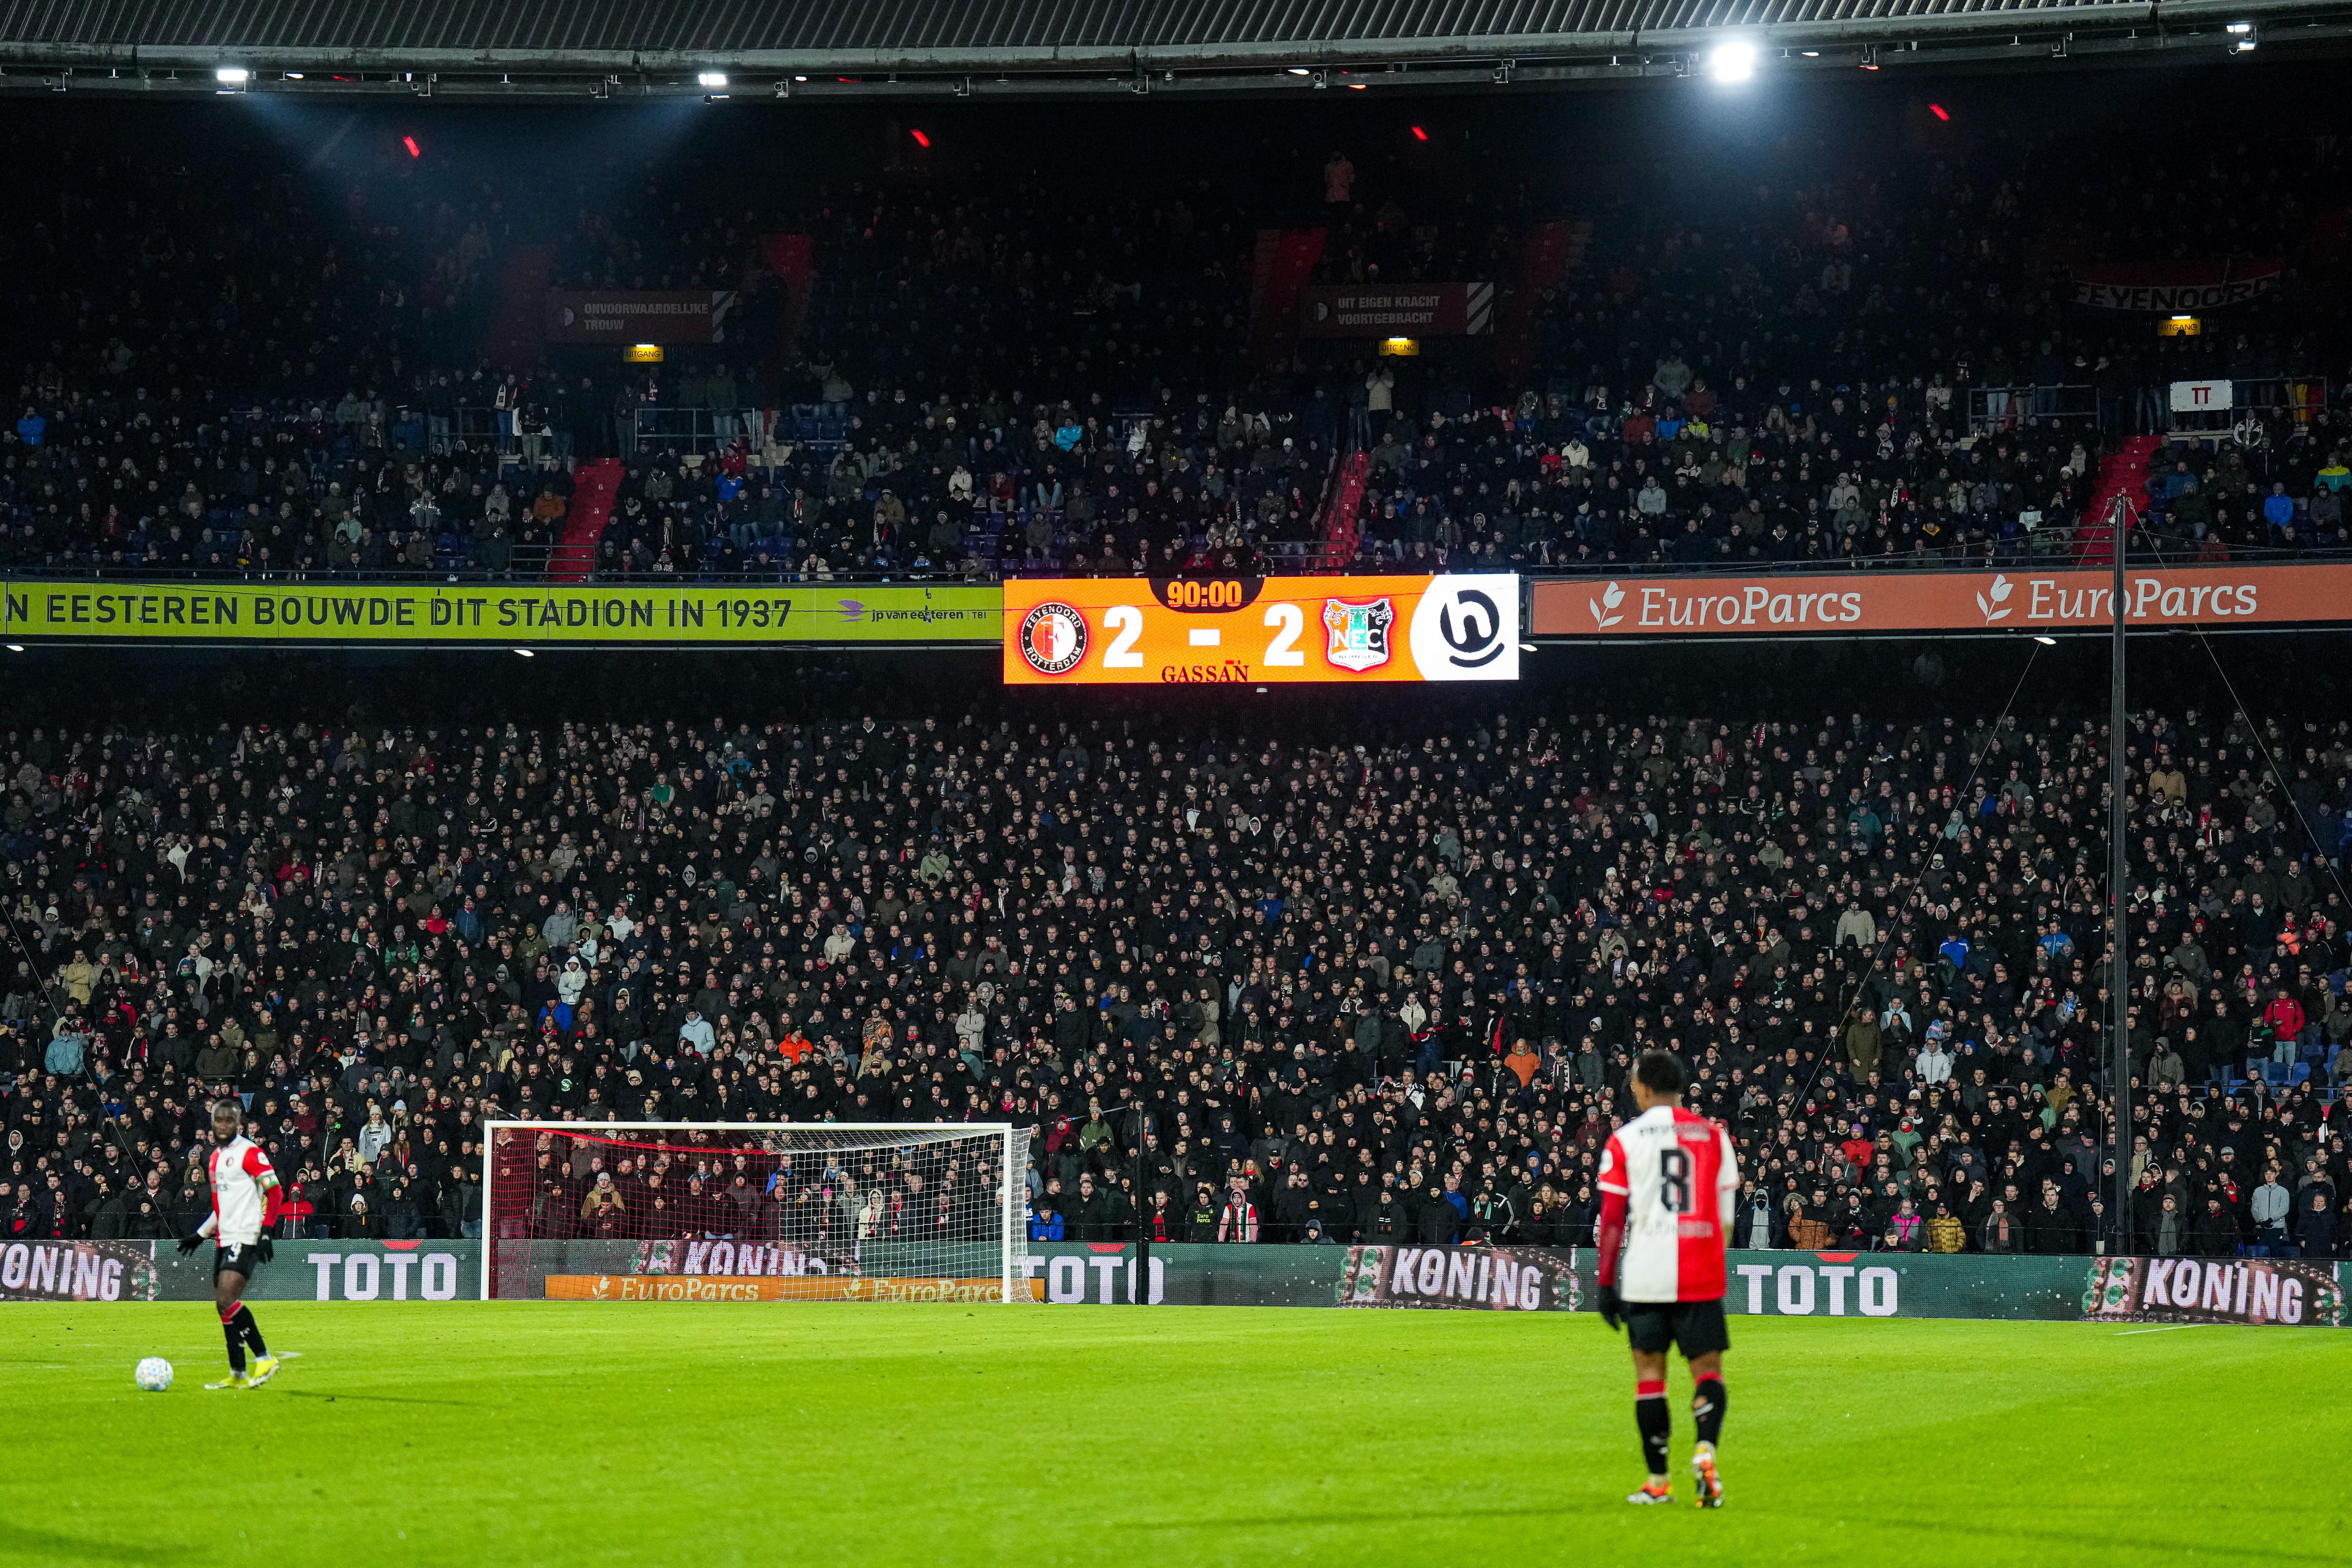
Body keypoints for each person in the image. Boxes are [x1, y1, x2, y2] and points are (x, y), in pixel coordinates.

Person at [1594, 1049, 1738, 1509]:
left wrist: (1604, 1283)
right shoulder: (1715, 1137)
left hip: (1645, 1273)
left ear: (1645, 1088)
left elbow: (1613, 1219)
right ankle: (1705, 1449)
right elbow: (1728, 1217)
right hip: (1700, 1270)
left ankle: (1658, 1481)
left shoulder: (1624, 1140)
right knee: (1707, 1372)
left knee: (1650, 1377)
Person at [175, 1100, 284, 1390]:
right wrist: (200, 1235)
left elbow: (275, 1191)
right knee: (222, 1306)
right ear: (211, 1124)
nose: (223, 1126)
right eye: (218, 1121)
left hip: (246, 1234)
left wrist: (267, 1230)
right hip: (224, 1236)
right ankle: (238, 1373)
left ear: (239, 1124)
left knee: (226, 1299)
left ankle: (264, 1358)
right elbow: (220, 1206)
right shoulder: (213, 1160)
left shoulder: (250, 1153)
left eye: (229, 1121)